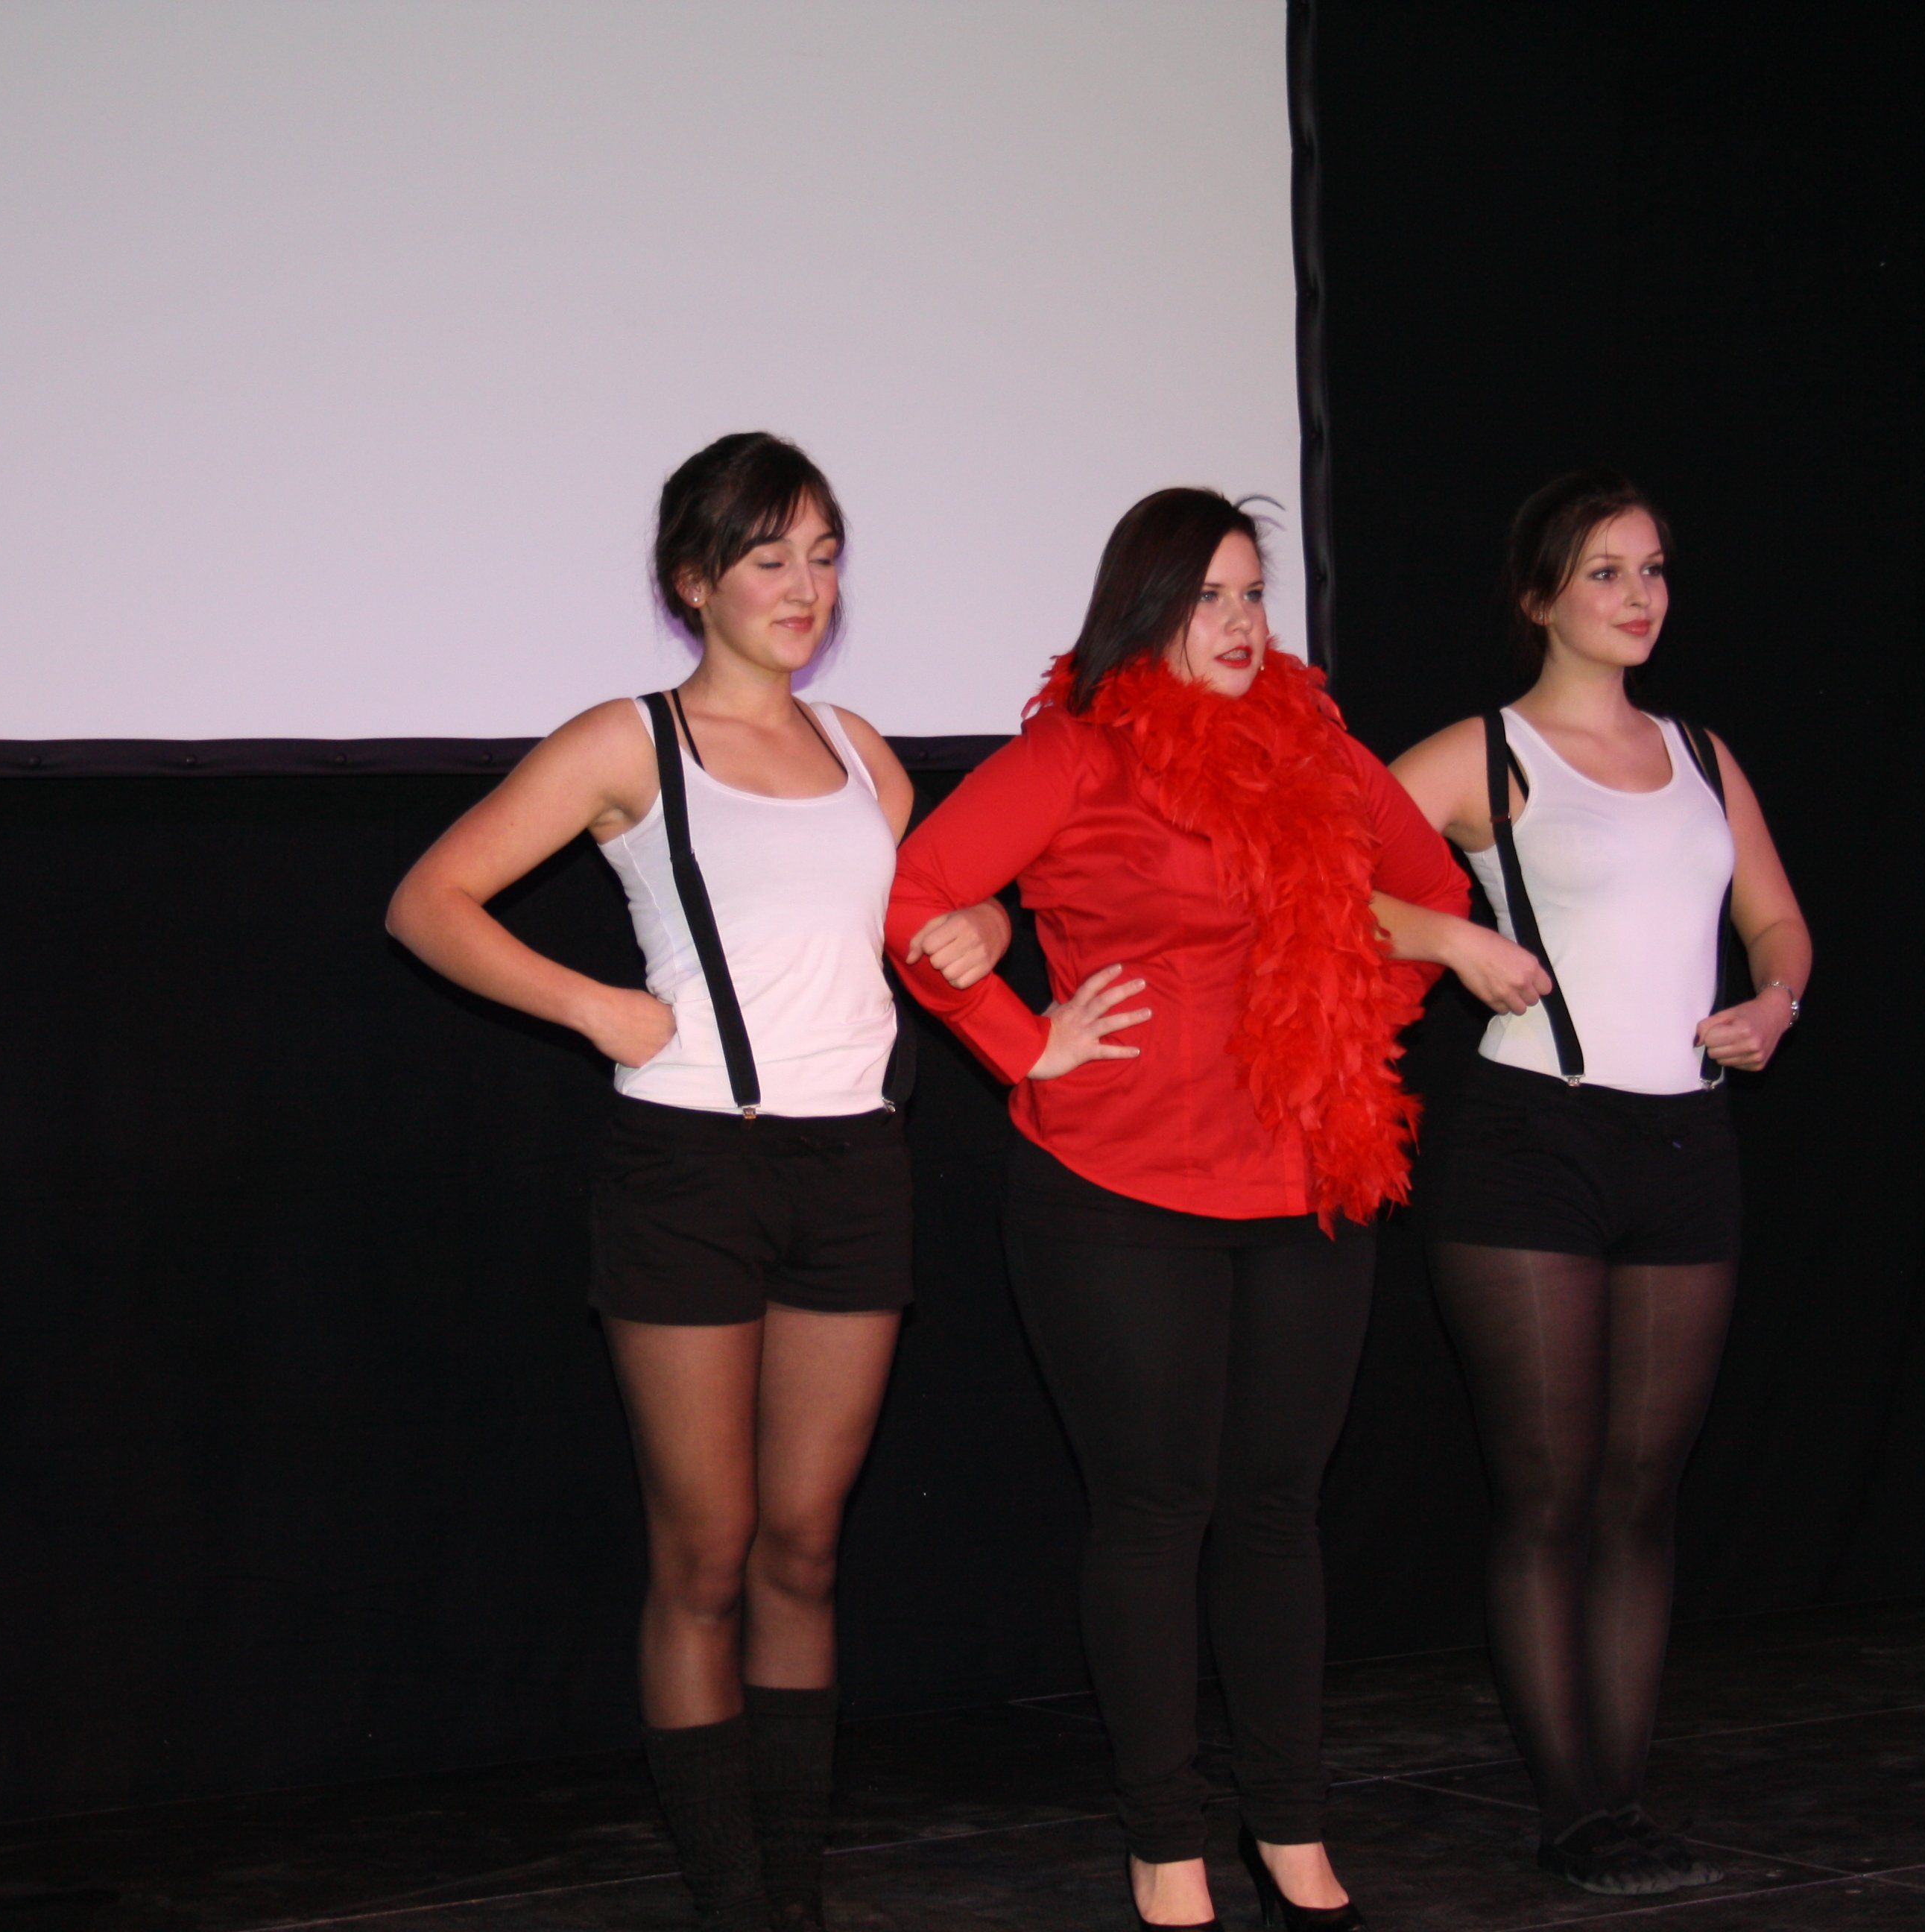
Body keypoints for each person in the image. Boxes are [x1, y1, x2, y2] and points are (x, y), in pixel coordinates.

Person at [385, 432, 1006, 1932]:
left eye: (824, 555)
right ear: (692, 581)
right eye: (768, 557)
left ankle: (794, 1891)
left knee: (806, 1546)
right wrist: (593, 1008)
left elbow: (925, 915)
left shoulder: (861, 749)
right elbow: (428, 901)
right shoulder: (629, 741)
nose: (805, 586)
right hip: (690, 1167)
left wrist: (979, 926)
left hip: (855, 1163)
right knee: (708, 1555)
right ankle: (732, 1897)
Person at [885, 490, 1498, 1932]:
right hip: (1117, 1186)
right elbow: (916, 896)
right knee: (1157, 1510)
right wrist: (1025, 1041)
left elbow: (1431, 892)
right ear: (1143, 609)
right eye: (1207, 596)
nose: (1237, 622)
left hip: (1303, 1180)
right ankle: (1165, 1843)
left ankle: (1291, 1829)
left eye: (1252, 594)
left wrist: (1350, 1021)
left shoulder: (1322, 752)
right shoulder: (1076, 752)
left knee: (1278, 1511)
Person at [1388, 470, 1810, 1896]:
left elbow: (1776, 919)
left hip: (1687, 1143)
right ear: (1539, 598)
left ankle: (1622, 1800)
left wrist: (1775, 1004)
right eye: (1606, 573)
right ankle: (1574, 1811)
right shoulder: (1485, 754)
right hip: (1533, 1141)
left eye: (1654, 570)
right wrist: (1450, 939)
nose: (1640, 597)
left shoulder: (1699, 751)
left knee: (1640, 1496)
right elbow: (1309, 878)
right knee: (1552, 1494)